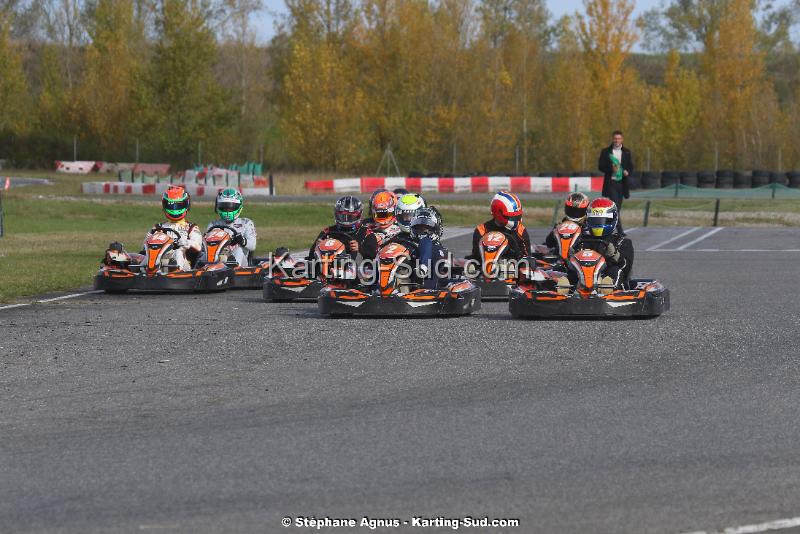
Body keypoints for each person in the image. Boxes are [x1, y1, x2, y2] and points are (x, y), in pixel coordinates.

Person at [573, 197, 634, 289]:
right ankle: (564, 289)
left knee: (615, 270)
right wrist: (571, 256)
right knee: (567, 271)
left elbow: (626, 267)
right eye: (595, 220)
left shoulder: (622, 242)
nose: (598, 224)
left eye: (603, 220)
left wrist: (615, 255)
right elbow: (571, 265)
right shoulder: (582, 241)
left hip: (610, 281)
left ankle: (608, 288)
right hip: (583, 278)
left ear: (613, 219)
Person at [143, 186, 203, 271]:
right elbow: (145, 246)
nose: (175, 210)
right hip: (159, 260)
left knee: (178, 252)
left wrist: (186, 243)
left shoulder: (191, 227)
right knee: (144, 256)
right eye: (171, 205)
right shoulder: (158, 227)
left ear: (187, 204)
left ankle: (177, 272)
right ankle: (141, 273)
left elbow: (198, 246)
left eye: (178, 205)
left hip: (185, 265)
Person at [469, 191, 532, 261]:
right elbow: (476, 258)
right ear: (497, 213)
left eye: (517, 216)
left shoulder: (520, 230)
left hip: (513, 269)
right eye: (511, 217)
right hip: (485, 267)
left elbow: (527, 258)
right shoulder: (481, 231)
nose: (515, 220)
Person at [206, 188, 256, 267]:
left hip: (241, 263)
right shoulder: (213, 224)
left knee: (238, 250)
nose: (227, 211)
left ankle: (233, 269)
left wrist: (242, 240)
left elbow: (253, 245)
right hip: (218, 258)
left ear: (239, 206)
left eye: (231, 208)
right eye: (224, 207)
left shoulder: (246, 223)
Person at [308, 195, 368, 260]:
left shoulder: (366, 232)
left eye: (350, 217)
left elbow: (373, 254)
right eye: (342, 217)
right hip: (330, 266)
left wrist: (360, 249)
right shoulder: (328, 232)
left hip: (357, 267)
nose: (346, 221)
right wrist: (317, 248)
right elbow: (311, 257)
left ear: (359, 215)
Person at [598, 130, 633, 233]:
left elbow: (630, 166)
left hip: (622, 183)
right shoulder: (606, 152)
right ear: (612, 139)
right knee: (615, 208)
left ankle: (608, 225)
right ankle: (620, 231)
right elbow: (601, 166)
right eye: (615, 138)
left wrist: (627, 171)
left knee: (617, 209)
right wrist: (610, 168)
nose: (617, 140)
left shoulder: (626, 152)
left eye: (619, 138)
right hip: (611, 183)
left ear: (622, 139)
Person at [410, 207, 449, 289]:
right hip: (408, 278)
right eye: (419, 228)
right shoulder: (409, 243)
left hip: (430, 283)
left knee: (426, 242)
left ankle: (423, 269)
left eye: (427, 229)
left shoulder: (436, 248)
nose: (423, 232)